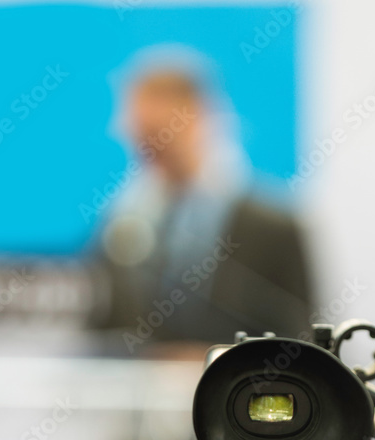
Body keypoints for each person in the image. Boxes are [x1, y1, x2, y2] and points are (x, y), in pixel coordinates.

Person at [90, 48, 314, 350]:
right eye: (143, 137)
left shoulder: (273, 227)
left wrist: (215, 360)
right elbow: (105, 330)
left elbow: (301, 342)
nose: (153, 149)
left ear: (200, 119)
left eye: (160, 134)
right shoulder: (120, 224)